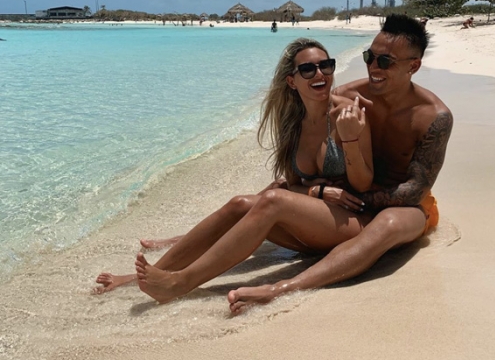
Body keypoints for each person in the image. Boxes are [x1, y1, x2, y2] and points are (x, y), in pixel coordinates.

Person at [95, 37, 374, 298]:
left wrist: (349, 138)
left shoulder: (347, 114)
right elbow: (293, 185)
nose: (320, 74)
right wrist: (318, 191)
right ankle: (146, 275)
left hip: (350, 223)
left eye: (326, 65)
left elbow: (363, 184)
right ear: (292, 81)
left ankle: (180, 283)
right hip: (313, 224)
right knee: (239, 203)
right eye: (308, 69)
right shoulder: (292, 123)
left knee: (273, 199)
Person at [227, 14, 452, 313]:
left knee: (388, 223)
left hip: (407, 208)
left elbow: (415, 189)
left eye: (385, 61)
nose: (373, 67)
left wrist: (355, 199)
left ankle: (281, 288)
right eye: (369, 57)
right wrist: (316, 190)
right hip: (353, 197)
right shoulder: (347, 96)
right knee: (275, 191)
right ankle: (200, 241)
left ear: (413, 66)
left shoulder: (433, 116)